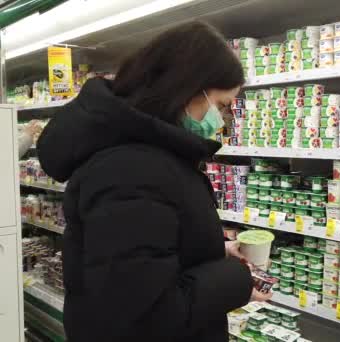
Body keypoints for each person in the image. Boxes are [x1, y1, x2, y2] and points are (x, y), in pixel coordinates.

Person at [36, 22, 271, 342]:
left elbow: (146, 259)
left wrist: (213, 250)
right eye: (219, 105)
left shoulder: (151, 158)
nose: (221, 120)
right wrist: (236, 279)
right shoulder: (130, 172)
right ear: (188, 90)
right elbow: (145, 317)